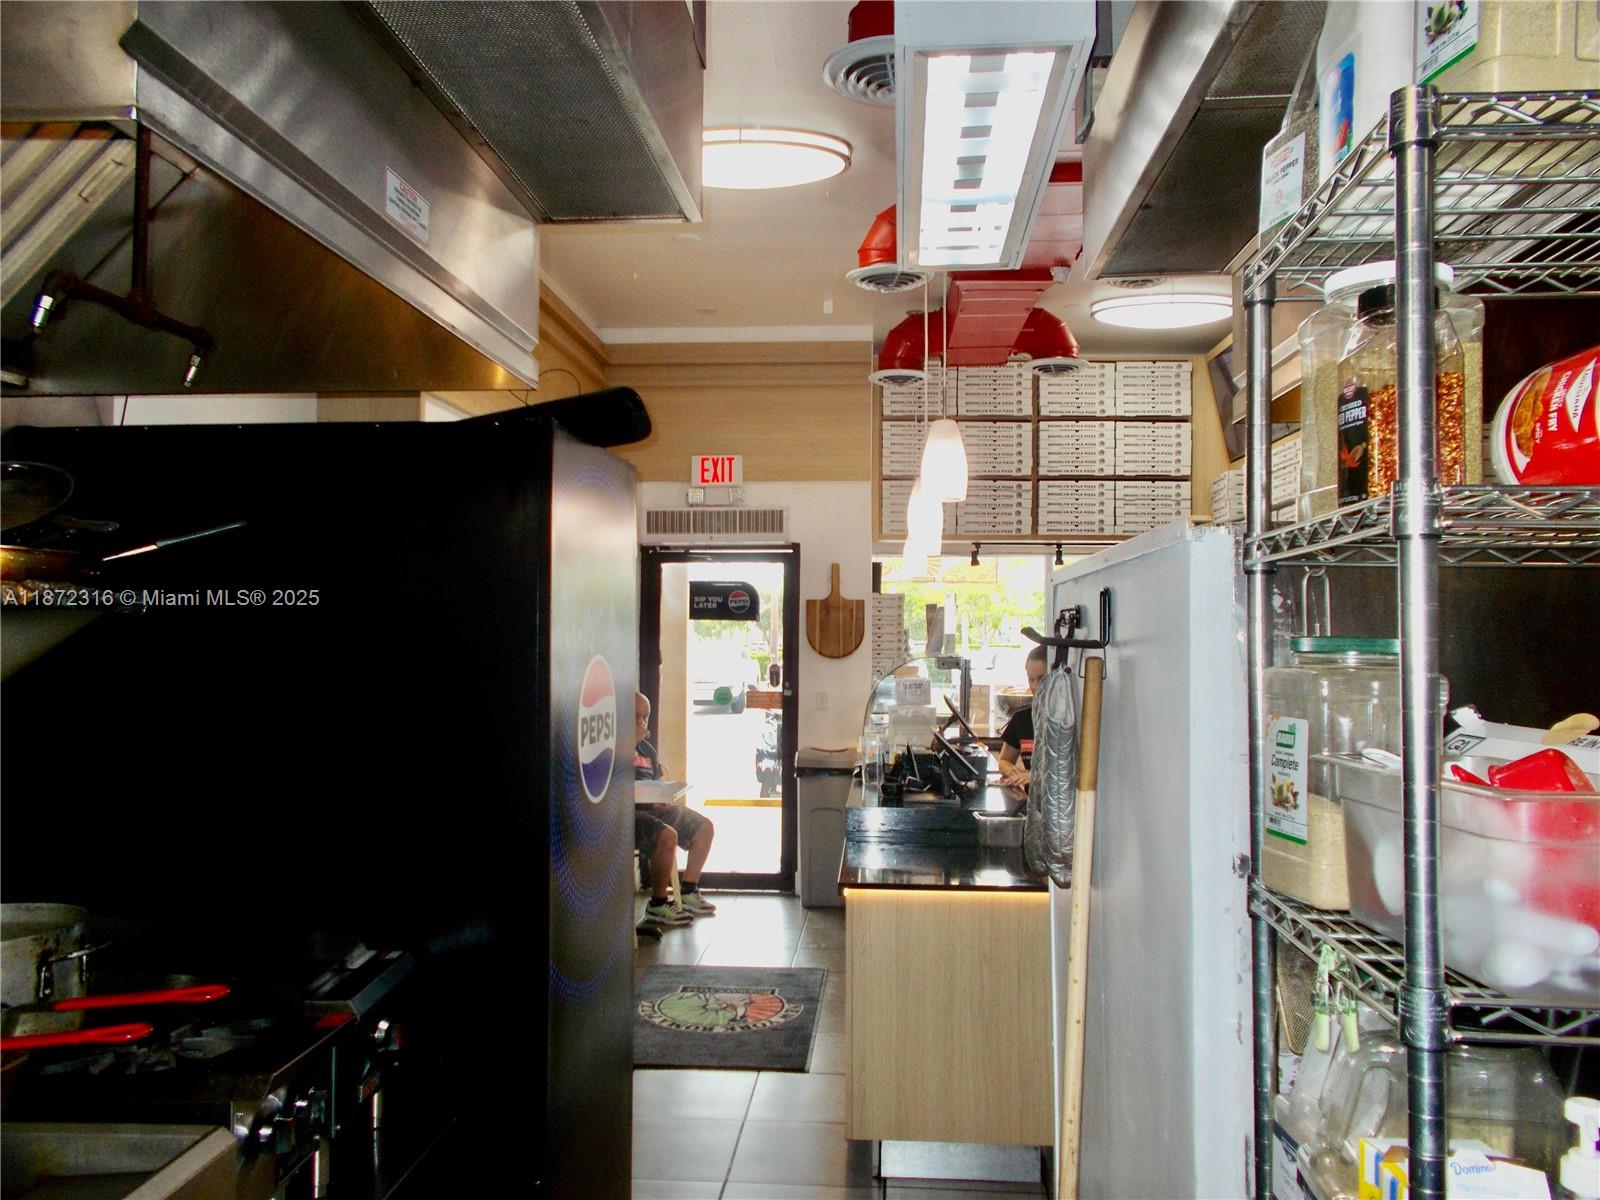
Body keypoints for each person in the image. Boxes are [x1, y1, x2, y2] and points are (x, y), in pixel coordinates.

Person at [634, 692, 717, 927]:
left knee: (704, 827)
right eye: (635, 717)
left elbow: (655, 782)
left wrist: (663, 799)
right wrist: (629, 742)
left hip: (652, 808)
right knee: (667, 835)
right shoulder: (612, 748)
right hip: (626, 815)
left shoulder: (647, 750)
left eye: (645, 717)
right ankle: (658, 903)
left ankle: (689, 889)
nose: (641, 723)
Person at [997, 645, 1049, 789]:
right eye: (1031, 679)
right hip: (1029, 800)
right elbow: (1004, 760)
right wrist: (1010, 770)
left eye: (1042, 679)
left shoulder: (1066, 723)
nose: (1035, 686)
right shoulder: (1021, 719)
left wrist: (1034, 776)